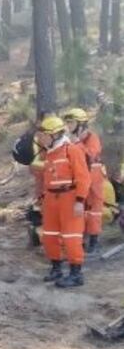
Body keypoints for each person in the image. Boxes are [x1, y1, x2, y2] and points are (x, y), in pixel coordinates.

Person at [36, 116, 91, 287]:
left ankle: (76, 274)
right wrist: (43, 198)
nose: (41, 138)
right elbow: (48, 178)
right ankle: (56, 269)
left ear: (54, 135)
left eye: (44, 134)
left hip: (70, 198)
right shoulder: (50, 153)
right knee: (49, 236)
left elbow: (84, 178)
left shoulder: (72, 150)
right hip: (51, 199)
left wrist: (80, 201)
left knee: (71, 236)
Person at [63, 108, 105, 254]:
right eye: (67, 122)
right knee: (80, 210)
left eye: (71, 122)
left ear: (81, 124)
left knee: (94, 211)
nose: (68, 125)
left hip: (94, 179)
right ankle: (79, 240)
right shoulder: (70, 140)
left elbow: (91, 155)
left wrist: (77, 144)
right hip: (79, 179)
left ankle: (94, 240)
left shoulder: (92, 138)